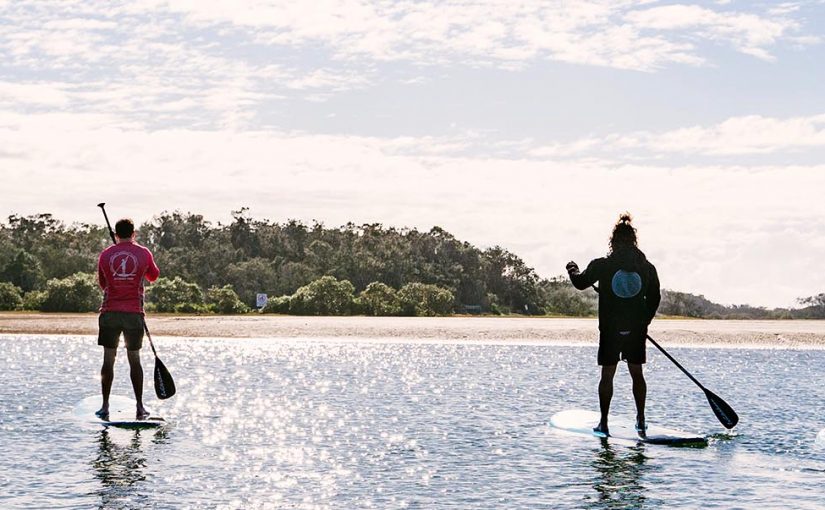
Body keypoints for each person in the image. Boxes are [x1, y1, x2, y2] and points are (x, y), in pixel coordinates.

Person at [566, 213, 660, 438]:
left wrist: (572, 269)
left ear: (613, 241)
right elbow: (655, 298)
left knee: (607, 375)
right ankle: (641, 419)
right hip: (636, 331)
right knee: (637, 374)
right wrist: (643, 322)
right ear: (633, 241)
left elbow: (580, 283)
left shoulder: (603, 265)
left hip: (610, 330)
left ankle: (604, 423)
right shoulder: (647, 267)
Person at [96, 218, 160, 420]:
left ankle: (105, 406)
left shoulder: (106, 254)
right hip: (134, 315)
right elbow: (153, 276)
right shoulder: (143, 253)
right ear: (134, 233)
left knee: (108, 360)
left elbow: (103, 284)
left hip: (110, 314)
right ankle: (140, 407)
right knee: (135, 360)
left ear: (116, 234)